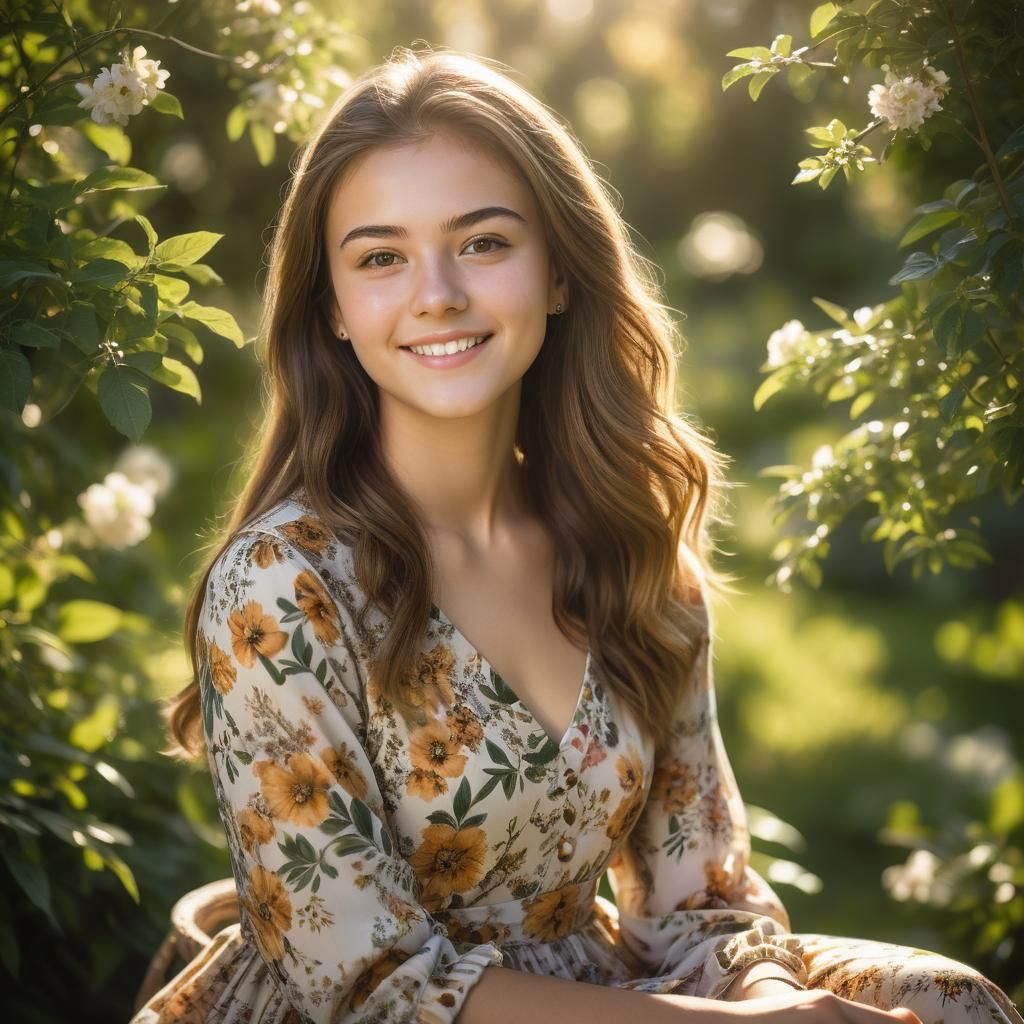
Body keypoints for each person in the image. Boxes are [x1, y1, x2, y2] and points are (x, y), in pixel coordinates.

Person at [133, 45, 1023, 1024]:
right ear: (333, 310)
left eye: (483, 243)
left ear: (558, 273)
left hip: (599, 992)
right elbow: (368, 985)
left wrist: (774, 1001)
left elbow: (700, 906)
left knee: (952, 1006)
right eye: (381, 257)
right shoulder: (279, 584)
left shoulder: (625, 546)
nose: (437, 293)